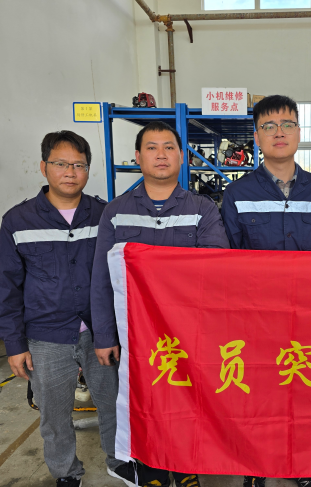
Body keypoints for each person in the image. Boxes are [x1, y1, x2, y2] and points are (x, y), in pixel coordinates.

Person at [0, 131, 137, 487]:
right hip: (45, 336)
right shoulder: (19, 220)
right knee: (54, 414)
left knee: (113, 403)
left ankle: (119, 461)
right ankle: (66, 471)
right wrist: (15, 344)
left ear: (88, 170)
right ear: (44, 167)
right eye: (61, 164)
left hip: (101, 333)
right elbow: (5, 287)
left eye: (79, 165)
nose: (70, 172)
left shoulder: (105, 214)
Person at [91, 121, 230, 487]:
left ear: (182, 156)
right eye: (151, 148)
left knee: (187, 400)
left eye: (169, 147)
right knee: (143, 403)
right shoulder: (116, 212)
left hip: (189, 334)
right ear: (138, 157)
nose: (161, 154)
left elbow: (215, 268)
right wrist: (104, 335)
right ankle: (150, 471)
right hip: (133, 336)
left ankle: (185, 469)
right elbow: (101, 278)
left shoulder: (202, 209)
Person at [221, 95, 311, 487]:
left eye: (287, 124)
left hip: (307, 318)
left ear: (299, 132)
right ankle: (255, 467)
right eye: (268, 126)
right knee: (257, 396)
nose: (279, 133)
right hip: (257, 319)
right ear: (256, 137)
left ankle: (302, 466)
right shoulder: (237, 194)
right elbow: (229, 260)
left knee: (304, 395)